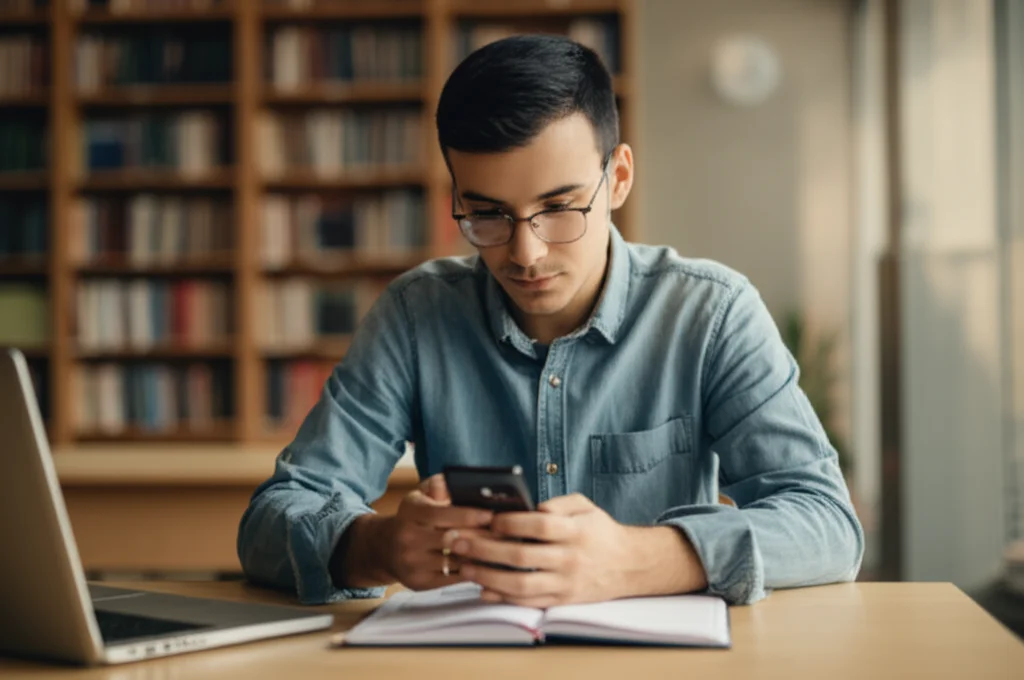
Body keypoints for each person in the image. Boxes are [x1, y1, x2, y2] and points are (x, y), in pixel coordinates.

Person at [238, 35, 863, 608]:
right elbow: (273, 516)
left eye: (559, 208)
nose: (525, 253)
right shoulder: (416, 316)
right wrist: (376, 545)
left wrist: (644, 560)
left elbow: (828, 524)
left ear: (617, 178)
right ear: (455, 196)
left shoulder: (711, 312)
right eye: (487, 214)